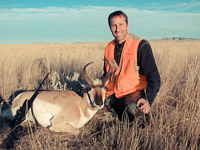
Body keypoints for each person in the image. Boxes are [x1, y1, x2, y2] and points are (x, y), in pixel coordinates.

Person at [103, 10, 160, 122]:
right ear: (110, 27)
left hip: (133, 93)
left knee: (134, 111)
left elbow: (154, 77)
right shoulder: (109, 48)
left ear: (127, 25)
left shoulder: (140, 45)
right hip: (113, 95)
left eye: (121, 25)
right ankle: (115, 121)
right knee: (97, 116)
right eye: (113, 25)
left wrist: (148, 100)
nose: (117, 29)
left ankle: (142, 118)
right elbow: (106, 75)